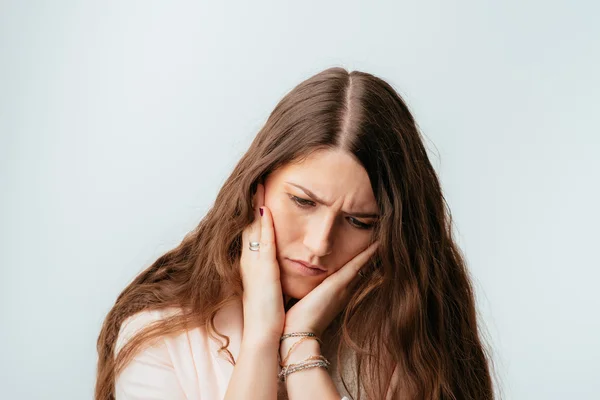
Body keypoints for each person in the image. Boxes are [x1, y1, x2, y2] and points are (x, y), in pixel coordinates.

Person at [95, 67, 495, 400]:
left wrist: (302, 346)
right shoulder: (158, 329)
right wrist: (261, 340)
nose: (320, 243)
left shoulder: (409, 335)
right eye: (304, 202)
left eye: (359, 222)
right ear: (257, 189)